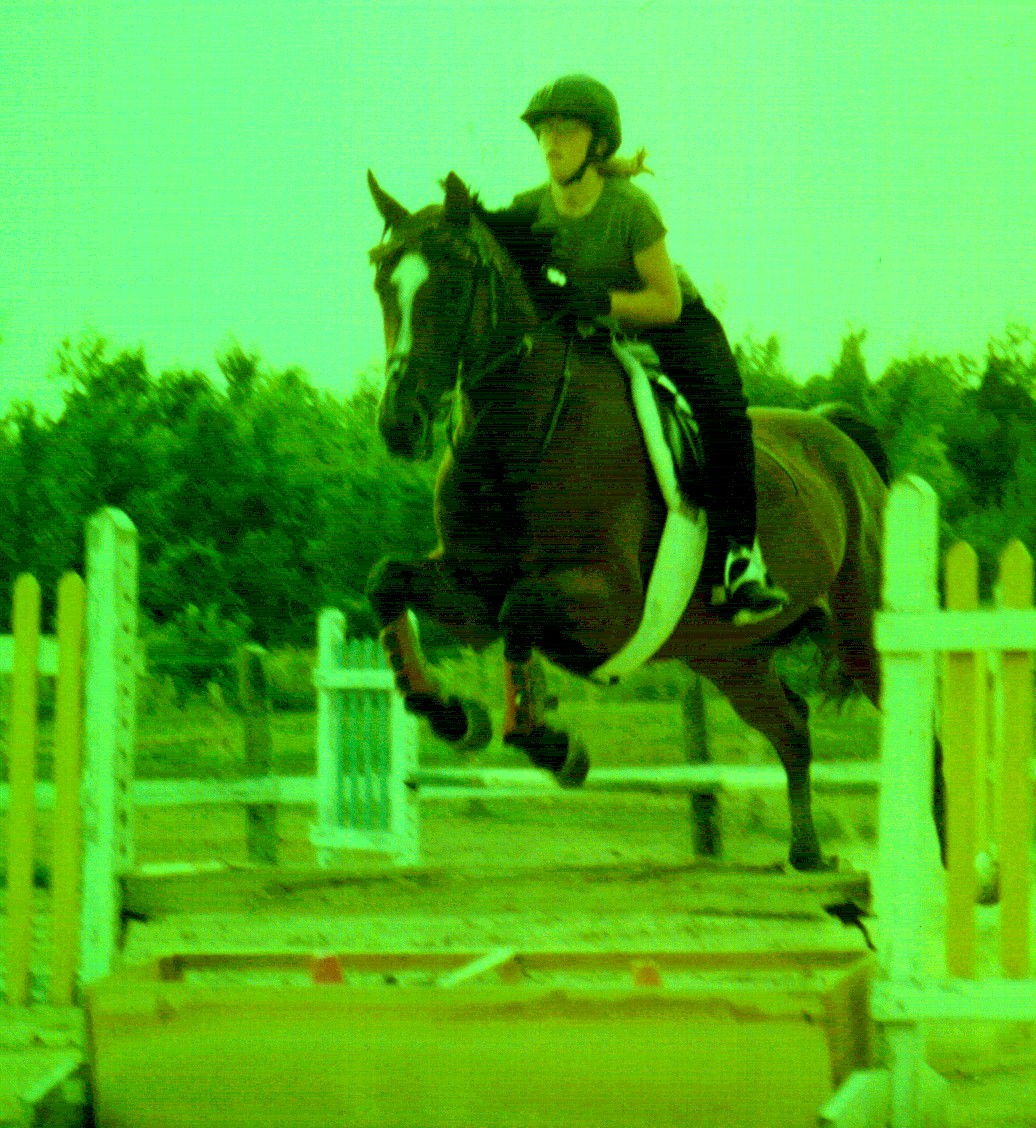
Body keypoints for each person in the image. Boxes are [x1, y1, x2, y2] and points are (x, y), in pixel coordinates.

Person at [507, 74, 791, 625]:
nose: (550, 143)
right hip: (592, 329)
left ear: (597, 143)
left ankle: (739, 560)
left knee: (723, 411)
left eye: (565, 130)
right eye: (543, 131)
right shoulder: (527, 210)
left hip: (671, 323)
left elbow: (666, 302)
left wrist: (597, 301)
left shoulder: (632, 207)